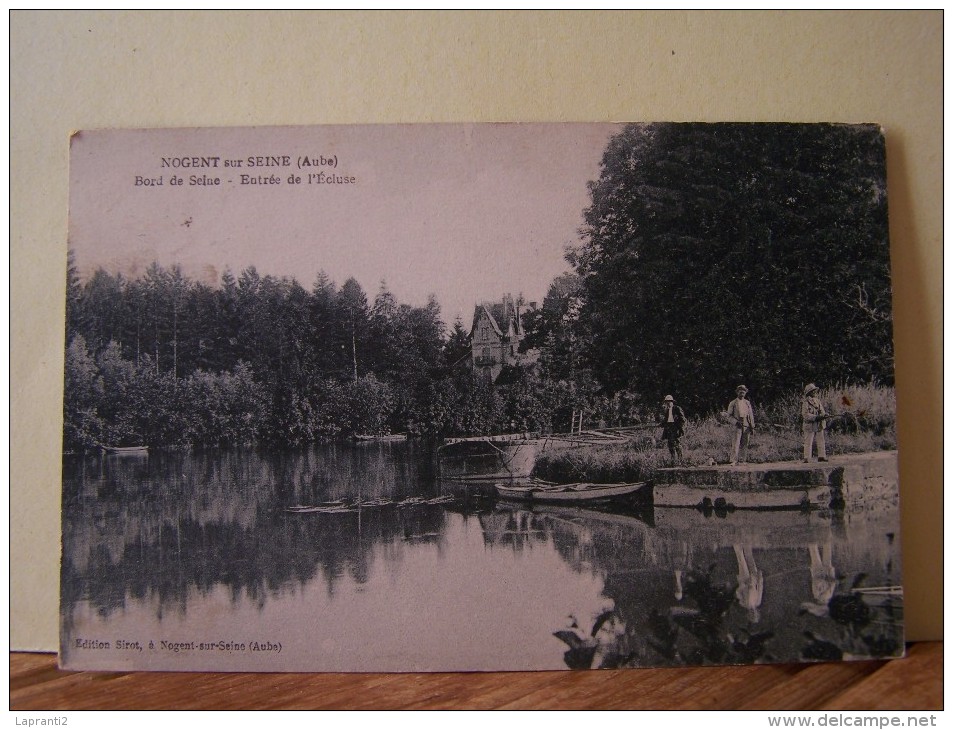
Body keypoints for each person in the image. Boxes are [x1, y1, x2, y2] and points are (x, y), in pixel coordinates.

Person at [726, 385, 755, 465]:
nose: (742, 392)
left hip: (747, 424)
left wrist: (752, 426)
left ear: (745, 392)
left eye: (744, 391)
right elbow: (728, 416)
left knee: (745, 443)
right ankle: (733, 460)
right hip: (737, 425)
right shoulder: (733, 403)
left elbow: (751, 415)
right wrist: (735, 422)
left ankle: (742, 460)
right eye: (740, 391)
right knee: (736, 442)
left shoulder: (747, 403)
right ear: (737, 392)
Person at [802, 383, 828, 462]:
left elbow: (822, 410)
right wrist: (816, 417)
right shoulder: (805, 402)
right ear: (809, 393)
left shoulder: (817, 401)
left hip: (819, 424)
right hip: (809, 425)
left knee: (821, 440)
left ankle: (821, 456)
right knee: (808, 441)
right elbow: (805, 415)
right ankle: (807, 458)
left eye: (815, 391)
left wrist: (824, 415)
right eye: (813, 391)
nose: (815, 392)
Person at [657, 394, 686, 464]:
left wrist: (681, 429)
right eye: (666, 402)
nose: (668, 403)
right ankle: (673, 459)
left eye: (669, 402)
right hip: (669, 428)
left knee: (676, 443)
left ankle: (680, 459)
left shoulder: (677, 408)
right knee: (670, 444)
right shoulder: (667, 410)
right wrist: (661, 424)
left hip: (675, 428)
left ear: (672, 401)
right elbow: (666, 420)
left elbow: (682, 419)